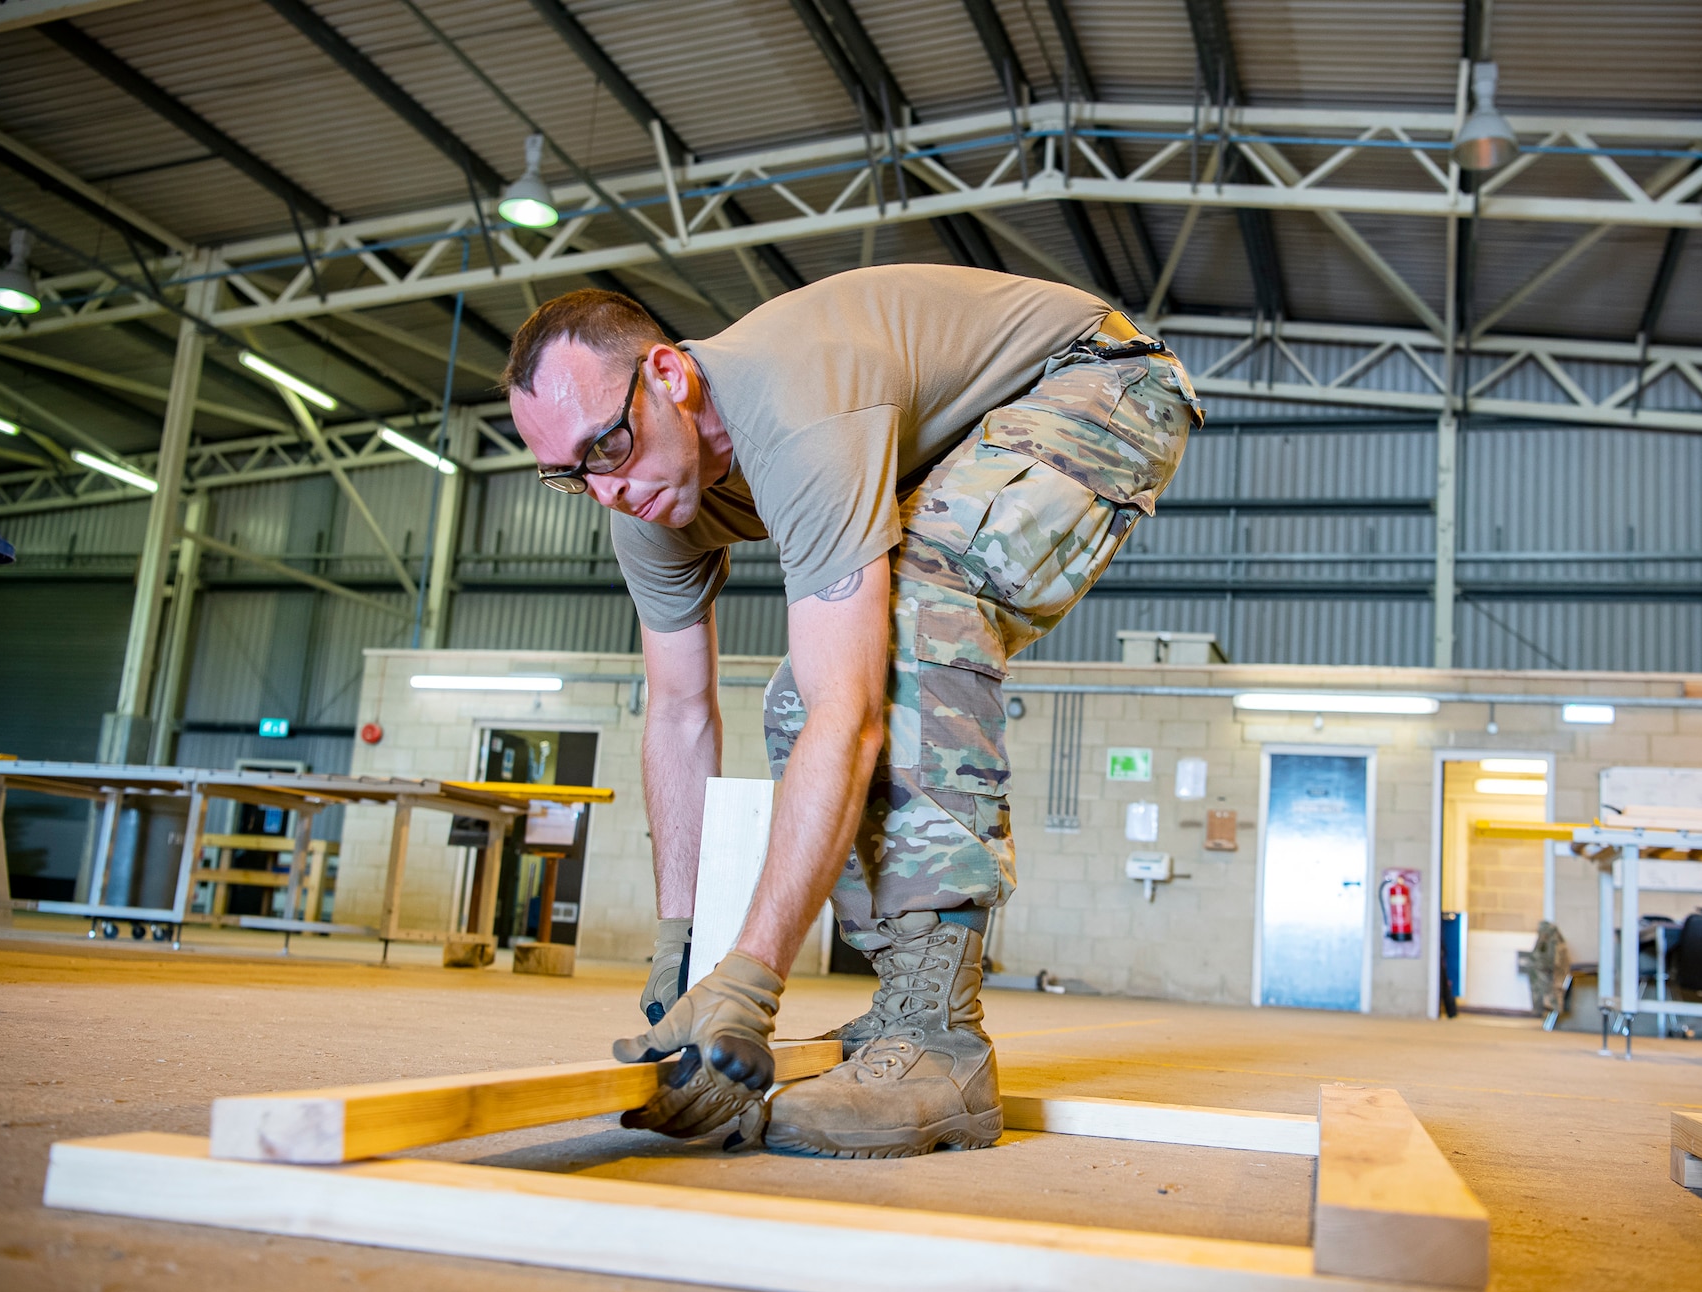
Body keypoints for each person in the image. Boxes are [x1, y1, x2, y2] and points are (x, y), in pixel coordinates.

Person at [505, 264, 1202, 1157]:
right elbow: (679, 715)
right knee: (799, 694)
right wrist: (685, 946)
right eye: (568, 475)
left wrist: (749, 981)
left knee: (907, 615)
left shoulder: (797, 406)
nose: (606, 489)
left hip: (1098, 380)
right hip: (957, 438)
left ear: (670, 377)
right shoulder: (638, 501)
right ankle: (902, 1009)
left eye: (606, 448)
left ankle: (939, 1037)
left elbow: (857, 713)